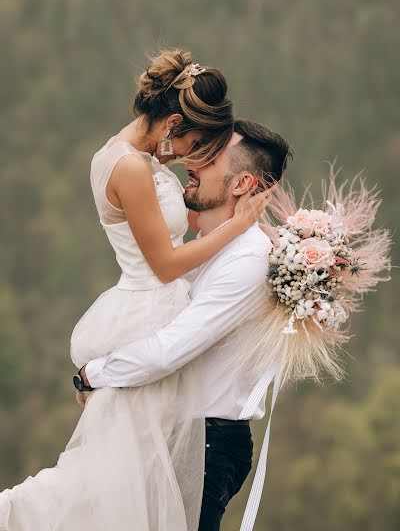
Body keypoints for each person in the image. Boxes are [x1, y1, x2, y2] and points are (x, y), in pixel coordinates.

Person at [0, 51, 271, 531]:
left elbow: (185, 233)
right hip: (150, 303)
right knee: (114, 473)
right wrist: (237, 228)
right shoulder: (126, 167)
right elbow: (165, 265)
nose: (192, 155)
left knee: (137, 474)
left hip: (162, 301)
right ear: (171, 122)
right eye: (193, 141)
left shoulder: (144, 162)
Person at [78, 119, 293, 531]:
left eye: (211, 157)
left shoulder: (248, 260)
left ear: (241, 184)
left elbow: (170, 348)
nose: (193, 161)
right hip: (178, 434)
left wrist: (95, 374)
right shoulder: (208, 249)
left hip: (208, 443)